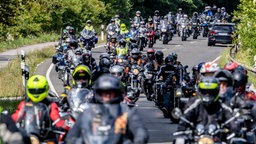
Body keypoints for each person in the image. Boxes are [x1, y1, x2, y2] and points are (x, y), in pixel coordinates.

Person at [66, 75, 149, 144]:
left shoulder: (127, 111)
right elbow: (72, 135)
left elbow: (140, 130)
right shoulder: (87, 113)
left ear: (117, 93)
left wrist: (139, 139)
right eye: (104, 92)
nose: (107, 95)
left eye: (110, 92)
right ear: (98, 94)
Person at [12, 75, 73, 140]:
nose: (36, 93)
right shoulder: (24, 105)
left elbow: (57, 120)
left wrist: (68, 126)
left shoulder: (50, 105)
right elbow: (15, 118)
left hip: (46, 137)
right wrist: (6, 123)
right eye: (33, 90)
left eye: (39, 90)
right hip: (28, 137)